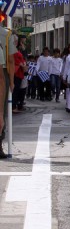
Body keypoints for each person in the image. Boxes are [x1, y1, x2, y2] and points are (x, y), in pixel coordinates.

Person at [0, 26, 17, 159]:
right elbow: (11, 60)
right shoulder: (6, 34)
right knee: (1, 111)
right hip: (2, 72)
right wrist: (11, 81)